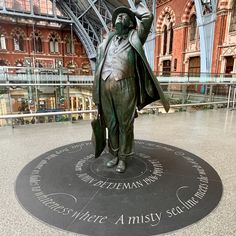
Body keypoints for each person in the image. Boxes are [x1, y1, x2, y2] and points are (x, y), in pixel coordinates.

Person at [92, 0, 169, 173]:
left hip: (126, 87)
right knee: (111, 124)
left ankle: (124, 158)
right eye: (117, 16)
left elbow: (148, 17)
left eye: (123, 16)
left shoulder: (136, 37)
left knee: (124, 125)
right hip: (105, 88)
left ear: (130, 23)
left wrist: (135, 7)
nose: (119, 17)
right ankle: (114, 154)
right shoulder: (107, 42)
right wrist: (95, 94)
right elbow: (98, 68)